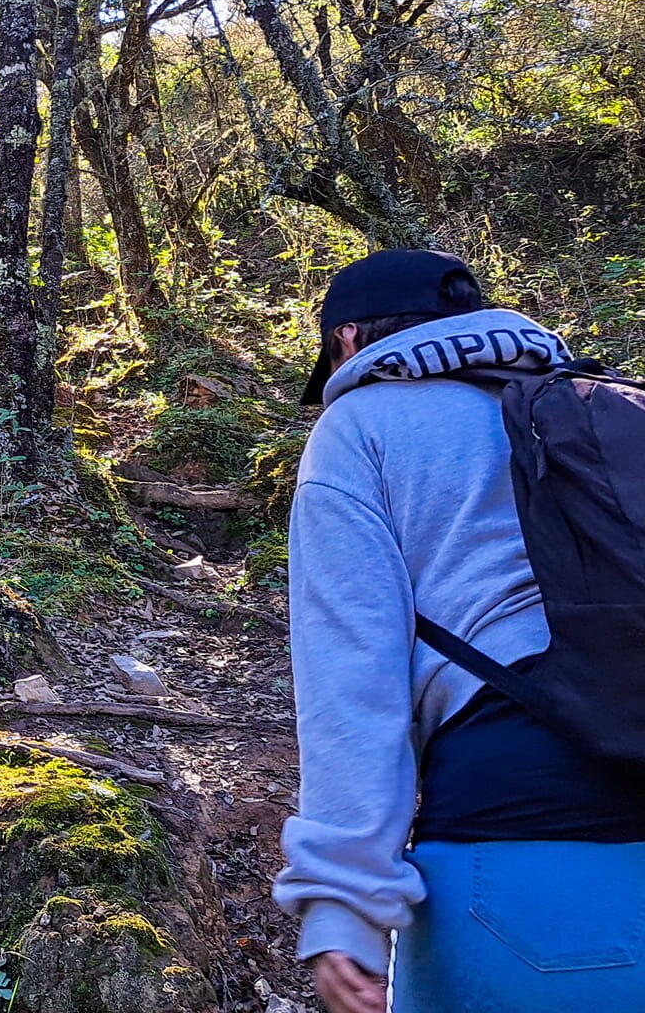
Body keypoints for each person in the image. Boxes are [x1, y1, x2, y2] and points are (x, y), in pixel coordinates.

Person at [274, 249, 645, 1013]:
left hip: (517, 850)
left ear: (347, 341)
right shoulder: (609, 410)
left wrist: (344, 905)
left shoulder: (361, 428)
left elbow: (351, 682)